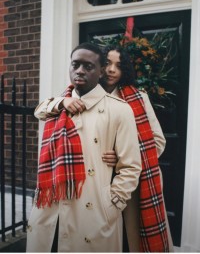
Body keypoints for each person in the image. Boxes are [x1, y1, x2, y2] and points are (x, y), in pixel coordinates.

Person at [34, 44, 173, 252]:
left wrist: (120, 158)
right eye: (107, 63)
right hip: (77, 184)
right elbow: (41, 110)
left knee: (124, 237)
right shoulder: (71, 94)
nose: (111, 69)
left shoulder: (134, 99)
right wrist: (63, 102)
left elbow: (155, 142)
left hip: (118, 183)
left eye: (118, 65)